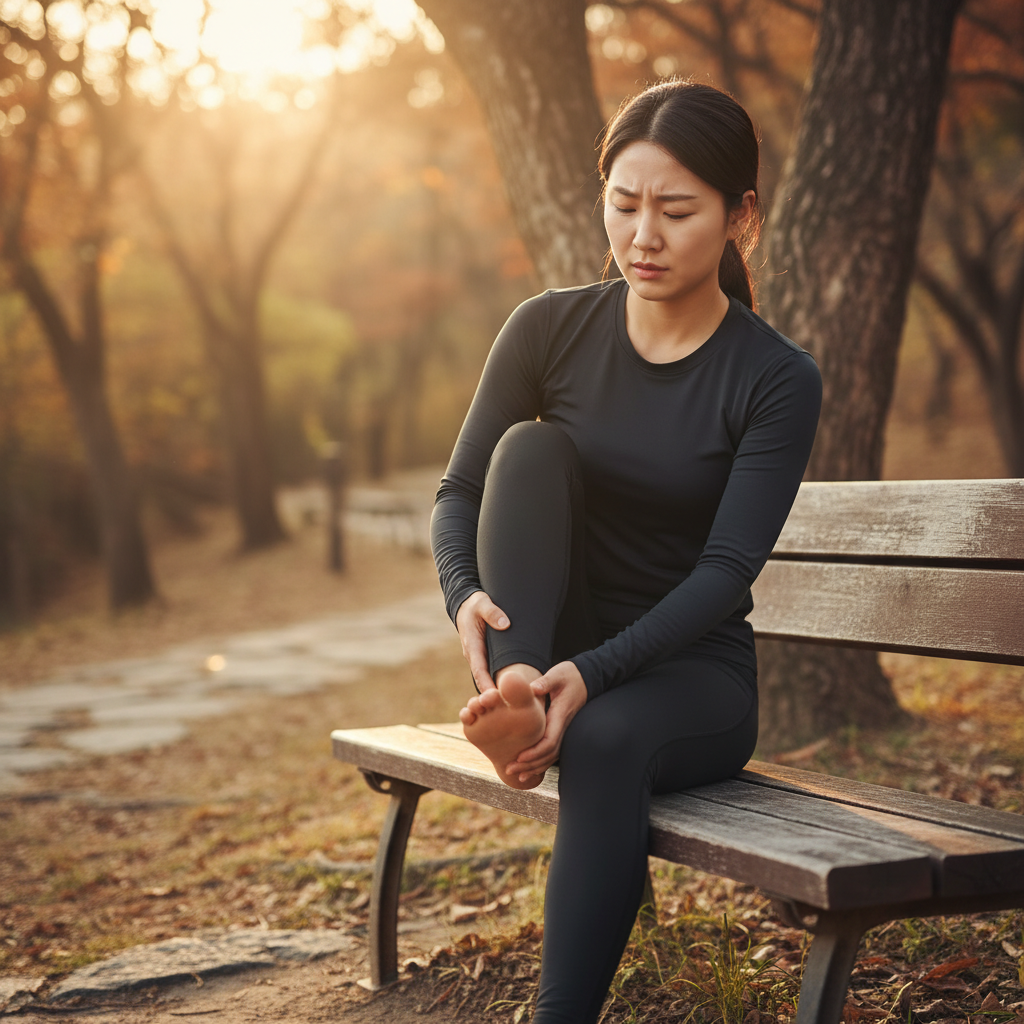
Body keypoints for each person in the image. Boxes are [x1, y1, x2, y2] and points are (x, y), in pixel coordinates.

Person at [429, 79, 822, 1024]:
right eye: (624, 203)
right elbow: (459, 493)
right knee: (528, 449)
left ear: (741, 218)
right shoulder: (548, 327)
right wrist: (464, 599)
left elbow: (727, 574)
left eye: (676, 210)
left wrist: (593, 675)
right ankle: (518, 695)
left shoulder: (773, 377)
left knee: (602, 737)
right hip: (555, 647)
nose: (643, 235)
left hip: (693, 679)